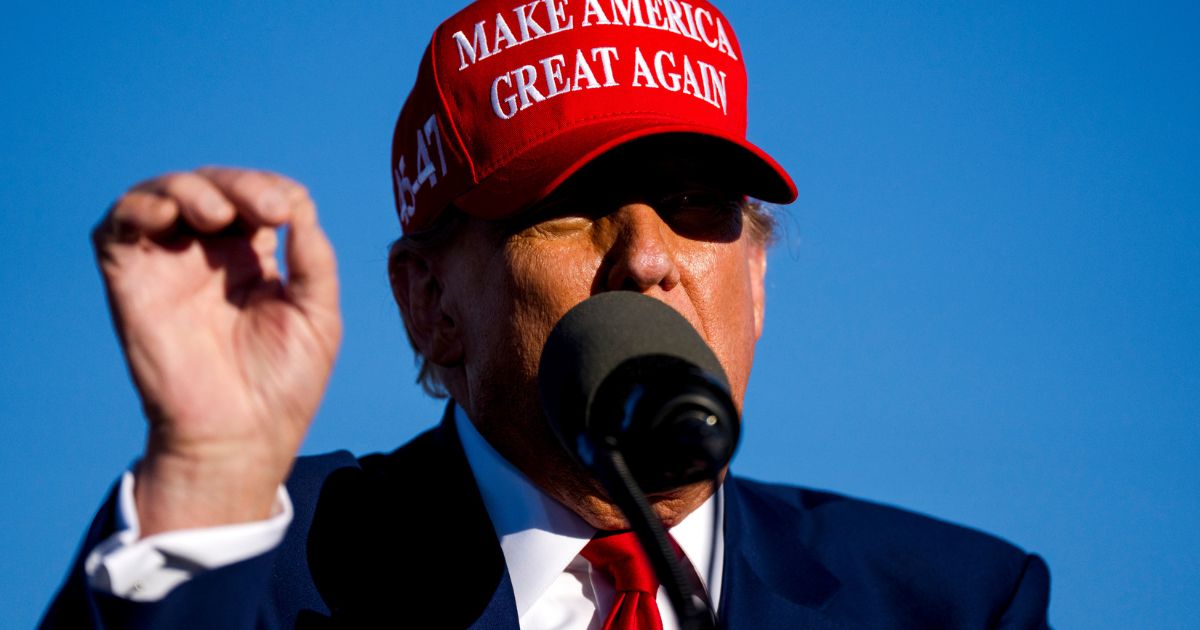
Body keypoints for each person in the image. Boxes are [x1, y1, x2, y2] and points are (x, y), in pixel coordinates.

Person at [43, 0, 1051, 628]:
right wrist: (212, 475)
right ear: (430, 304)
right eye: (573, 212)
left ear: (757, 279)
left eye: (701, 208)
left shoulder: (955, 604)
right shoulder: (252, 570)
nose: (649, 258)